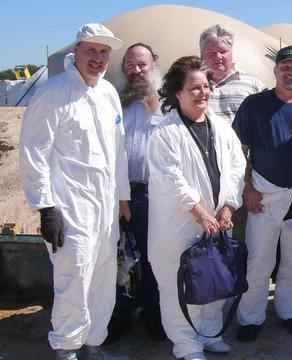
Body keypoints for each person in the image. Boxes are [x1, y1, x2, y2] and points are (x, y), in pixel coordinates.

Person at [19, 23, 130, 360]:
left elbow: (118, 150)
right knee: (74, 277)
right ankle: (67, 349)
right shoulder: (53, 93)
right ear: (76, 51)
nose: (97, 59)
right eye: (91, 51)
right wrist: (45, 207)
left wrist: (122, 199)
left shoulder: (108, 93)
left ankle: (94, 343)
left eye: (103, 52)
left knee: (102, 274)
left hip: (106, 205)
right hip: (70, 206)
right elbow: (33, 151)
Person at [146, 56, 246, 360]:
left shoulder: (221, 127)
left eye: (206, 87)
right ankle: (187, 345)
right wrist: (199, 211)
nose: (202, 93)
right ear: (178, 93)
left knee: (212, 278)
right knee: (178, 285)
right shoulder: (165, 132)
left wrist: (228, 205)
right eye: (194, 88)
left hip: (216, 221)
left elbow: (236, 167)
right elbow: (170, 178)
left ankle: (210, 334)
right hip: (179, 225)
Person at [232, 45, 292, 343]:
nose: (291, 72)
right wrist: (247, 188)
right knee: (259, 260)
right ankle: (251, 317)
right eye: (286, 67)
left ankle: (291, 311)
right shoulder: (254, 105)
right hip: (264, 197)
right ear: (276, 70)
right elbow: (239, 151)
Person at [105, 42, 166, 344]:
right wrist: (119, 197)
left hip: (156, 196)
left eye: (142, 64)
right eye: (131, 64)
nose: (137, 70)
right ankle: (120, 315)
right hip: (120, 196)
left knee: (153, 257)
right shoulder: (112, 101)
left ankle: (153, 314)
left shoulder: (167, 102)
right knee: (121, 257)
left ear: (153, 64)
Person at [200, 24, 266, 244]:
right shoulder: (193, 85)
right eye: (211, 53)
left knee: (240, 242)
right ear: (202, 55)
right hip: (202, 179)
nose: (217, 57)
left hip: (241, 179)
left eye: (222, 52)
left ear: (231, 53)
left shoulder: (253, 85)